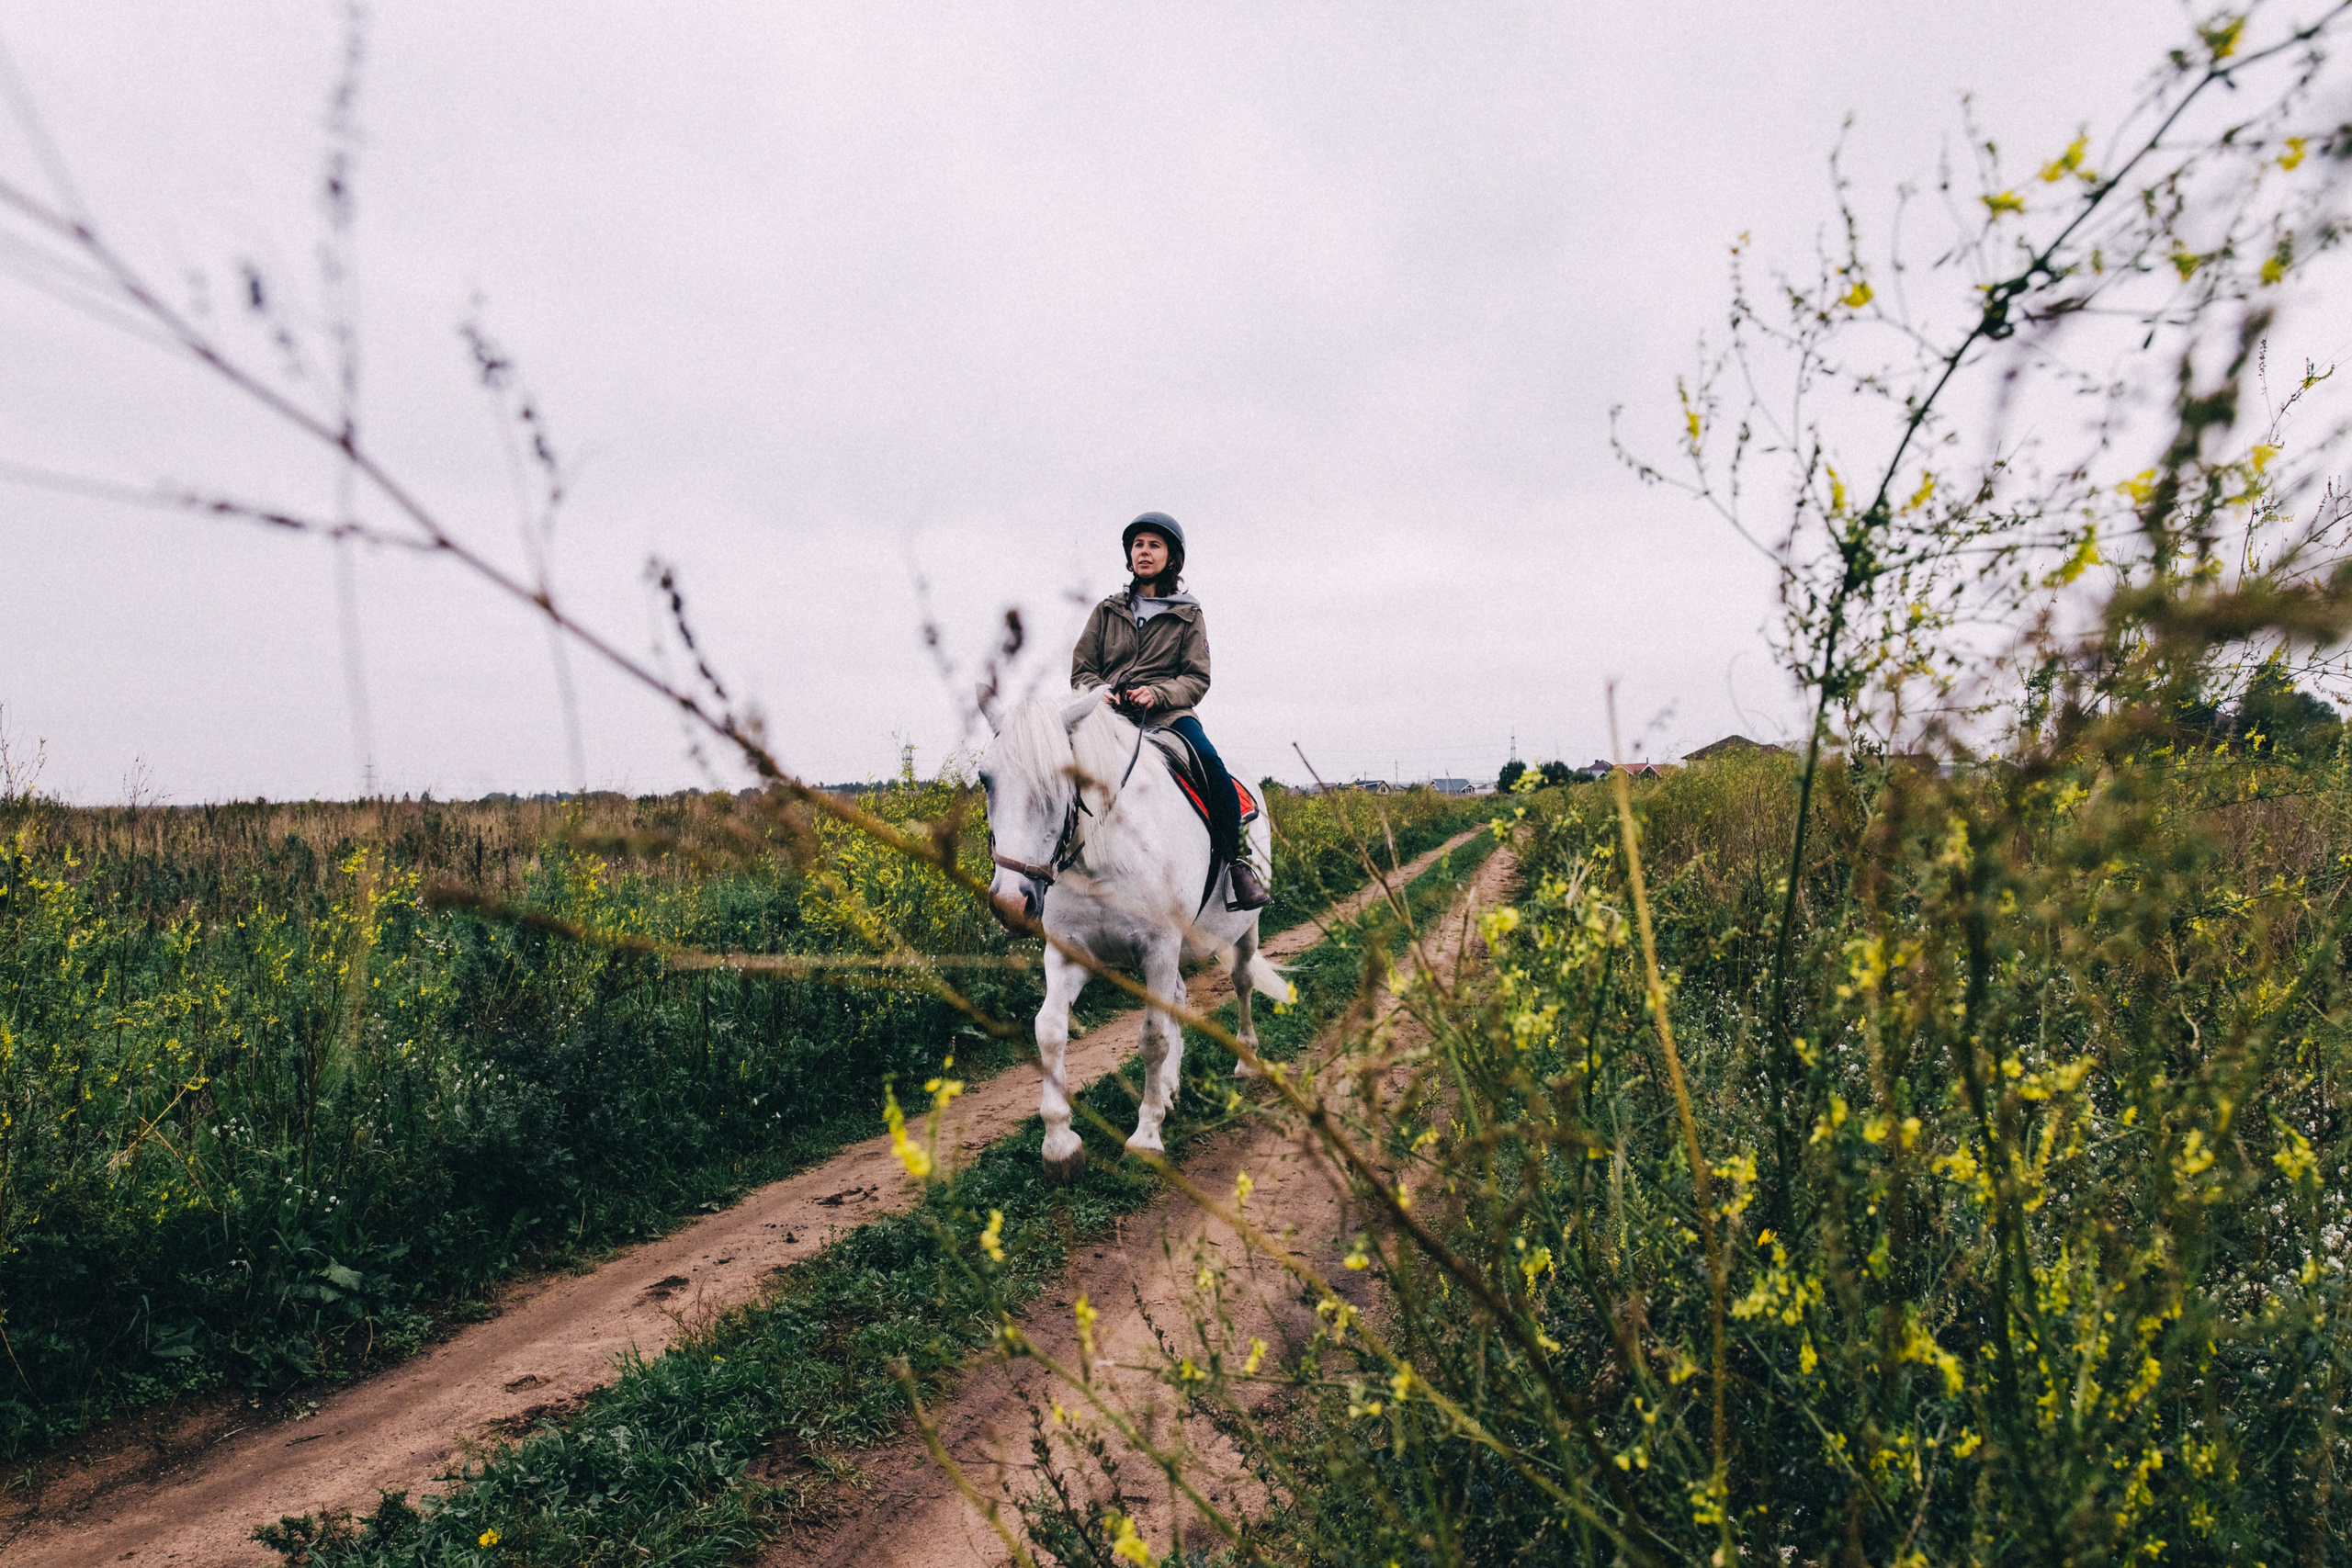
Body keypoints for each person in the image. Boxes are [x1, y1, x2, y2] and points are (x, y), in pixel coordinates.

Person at [1071, 511, 1268, 910]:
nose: (1144, 552)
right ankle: (1039, 873)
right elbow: (1082, 669)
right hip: (1107, 717)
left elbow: (1197, 678)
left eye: (1154, 545)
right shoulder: (1107, 610)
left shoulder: (1189, 614)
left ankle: (1235, 865)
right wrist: (1099, 691)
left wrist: (1157, 695)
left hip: (1168, 718)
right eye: (1138, 545)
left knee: (1212, 765)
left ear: (1171, 557)